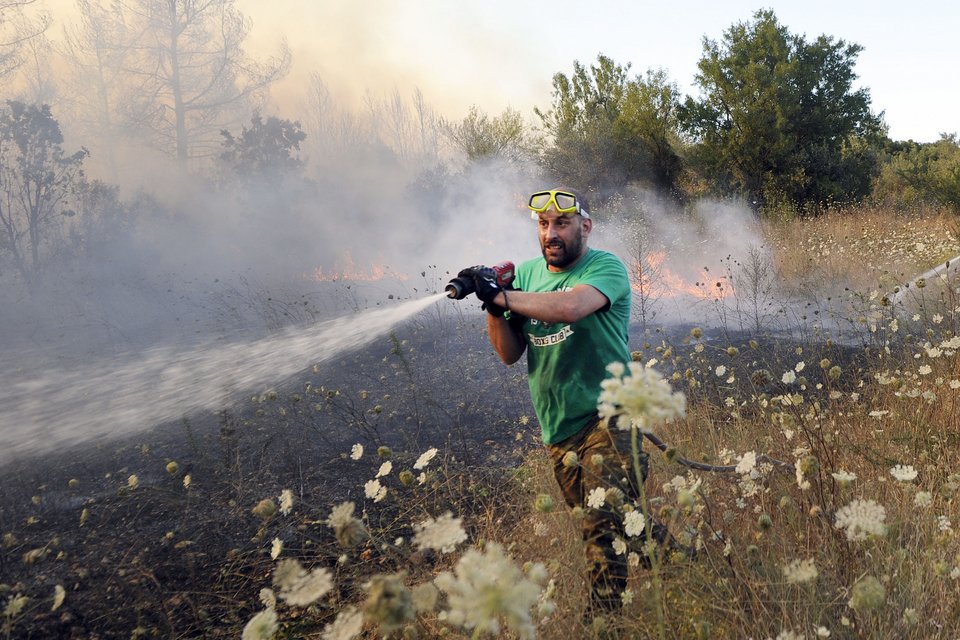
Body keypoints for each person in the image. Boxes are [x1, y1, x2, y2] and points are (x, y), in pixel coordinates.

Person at [458, 188, 670, 615]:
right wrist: (493, 305)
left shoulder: (605, 267)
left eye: (562, 223)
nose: (551, 233)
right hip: (559, 429)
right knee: (620, 526)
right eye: (543, 224)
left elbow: (572, 307)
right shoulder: (527, 277)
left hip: (610, 415)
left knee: (600, 530)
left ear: (585, 227)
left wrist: (499, 295)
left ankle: (602, 625)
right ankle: (687, 560)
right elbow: (509, 354)